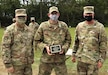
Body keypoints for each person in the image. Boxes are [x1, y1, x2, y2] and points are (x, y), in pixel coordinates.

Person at [34, 6, 71, 75]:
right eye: (52, 14)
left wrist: (64, 48)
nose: (54, 15)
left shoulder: (64, 26)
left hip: (60, 60)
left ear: (58, 14)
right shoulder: (43, 26)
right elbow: (37, 41)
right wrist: (45, 47)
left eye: (55, 14)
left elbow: (68, 40)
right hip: (46, 60)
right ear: (49, 15)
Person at [72, 6, 107, 75]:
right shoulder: (79, 26)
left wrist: (101, 60)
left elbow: (103, 44)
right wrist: (73, 54)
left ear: (93, 14)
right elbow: (76, 42)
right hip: (81, 60)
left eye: (90, 14)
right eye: (86, 14)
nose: (88, 15)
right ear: (83, 14)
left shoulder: (100, 27)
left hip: (93, 60)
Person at [1, 9, 34, 75]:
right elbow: (5, 48)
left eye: (23, 17)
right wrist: (8, 65)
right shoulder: (10, 30)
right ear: (15, 18)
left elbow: (31, 45)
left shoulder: (29, 30)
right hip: (15, 65)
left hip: (27, 65)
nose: (21, 19)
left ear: (26, 17)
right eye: (19, 17)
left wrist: (31, 58)